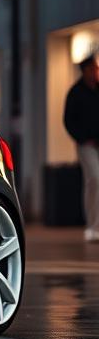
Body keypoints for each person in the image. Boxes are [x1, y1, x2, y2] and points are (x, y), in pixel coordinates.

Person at [64, 54, 99, 241]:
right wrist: (82, 138)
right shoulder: (76, 92)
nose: (96, 71)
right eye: (94, 68)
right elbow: (68, 120)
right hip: (86, 145)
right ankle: (93, 226)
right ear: (85, 71)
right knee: (94, 179)